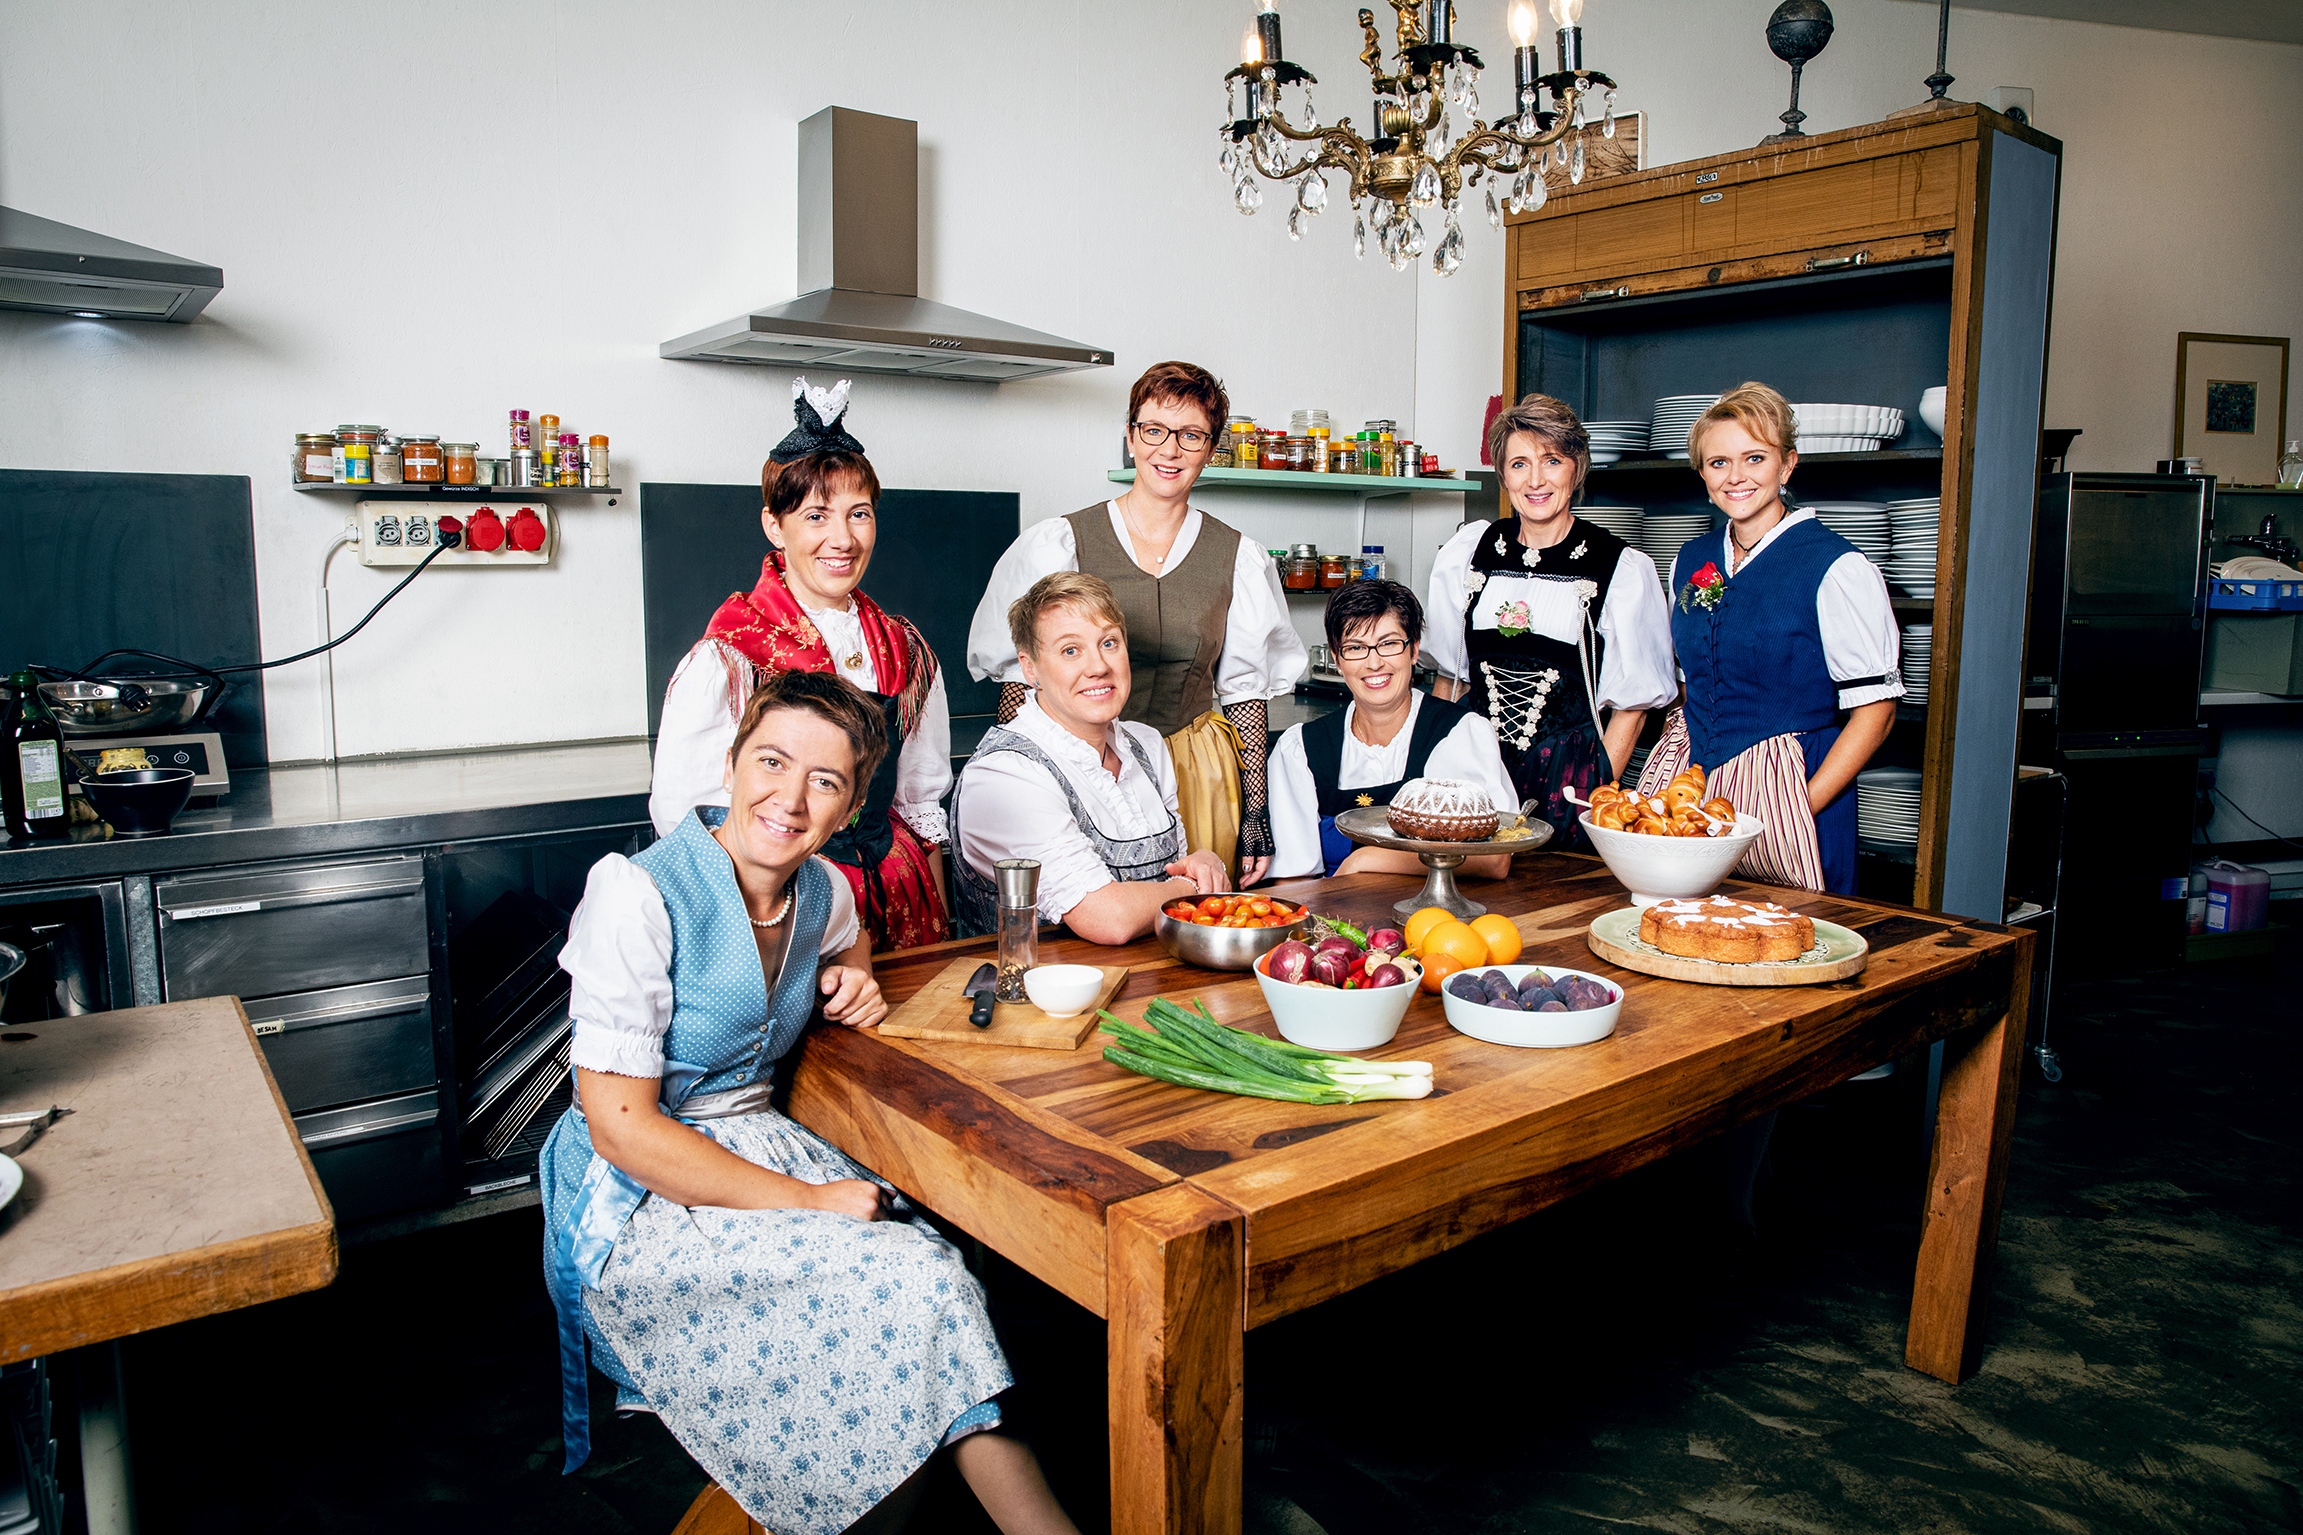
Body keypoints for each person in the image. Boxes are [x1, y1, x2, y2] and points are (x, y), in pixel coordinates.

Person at [543, 670, 1079, 1535]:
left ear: (850, 805)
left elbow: (849, 941)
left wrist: (855, 976)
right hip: (644, 1193)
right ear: (729, 765)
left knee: (937, 1265)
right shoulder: (635, 894)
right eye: (771, 761)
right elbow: (622, 1124)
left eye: (824, 782)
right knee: (919, 1279)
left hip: (766, 1142)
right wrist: (811, 1198)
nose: (788, 799)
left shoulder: (824, 889)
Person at [967, 361, 1306, 887]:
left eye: (1191, 435)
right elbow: (1022, 680)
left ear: (1212, 448)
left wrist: (1256, 812)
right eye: (1154, 430)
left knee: (1200, 913)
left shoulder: (1238, 556)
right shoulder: (1058, 542)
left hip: (1198, 766)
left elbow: (1244, 693)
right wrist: (1027, 769)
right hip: (1087, 764)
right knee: (1090, 910)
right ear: (1130, 436)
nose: (1169, 450)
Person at [649, 377, 951, 950]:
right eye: (816, 516)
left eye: (859, 514)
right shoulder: (731, 654)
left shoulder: (903, 649)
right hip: (782, 907)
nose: (842, 538)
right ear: (774, 525)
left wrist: (943, 936)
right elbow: (686, 819)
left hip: (898, 892)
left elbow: (919, 803)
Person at [1641, 380, 1901, 896]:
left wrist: (1798, 805)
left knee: (1788, 941)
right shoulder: (1690, 560)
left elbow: (1877, 711)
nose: (1736, 477)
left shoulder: (1837, 566)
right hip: (1697, 791)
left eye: (1754, 458)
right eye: (1718, 463)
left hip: (1793, 789)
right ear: (1702, 473)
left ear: (1787, 465)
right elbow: (1694, 680)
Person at [1425, 394, 1677, 850]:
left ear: (1576, 468)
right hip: (1473, 777)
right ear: (1503, 475)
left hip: (1570, 782)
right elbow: (1451, 679)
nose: (1535, 480)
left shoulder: (1619, 568)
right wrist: (1433, 778)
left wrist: (1595, 796)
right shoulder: (1470, 552)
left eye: (1552, 460)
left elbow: (1633, 708)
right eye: (1519, 464)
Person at [953, 572, 1231, 946]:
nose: (1098, 666)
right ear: (1030, 668)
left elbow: (1172, 872)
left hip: (1152, 978)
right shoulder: (1004, 773)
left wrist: (1203, 862)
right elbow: (1107, 917)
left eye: (1109, 642)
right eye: (1071, 650)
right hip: (1033, 996)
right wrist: (1191, 887)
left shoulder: (1146, 745)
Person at [1269, 580, 1520, 882]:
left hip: (1440, 920)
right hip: (1336, 921)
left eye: (1389, 644)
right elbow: (1293, 880)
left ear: (1414, 650)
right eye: (1356, 648)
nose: (1374, 663)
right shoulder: (1302, 748)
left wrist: (1366, 859)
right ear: (1337, 660)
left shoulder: (1458, 733)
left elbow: (1494, 860)